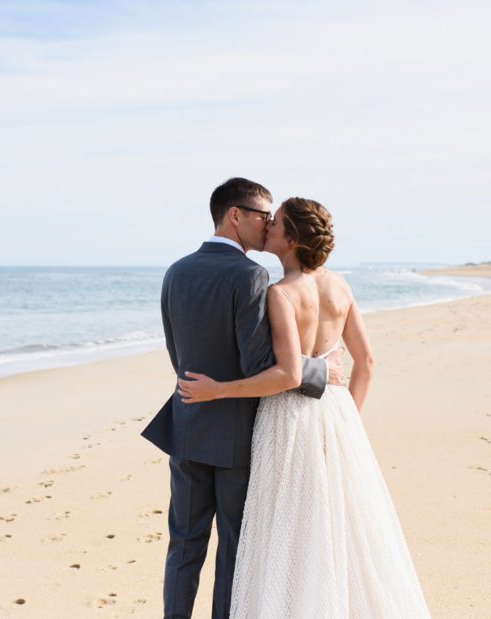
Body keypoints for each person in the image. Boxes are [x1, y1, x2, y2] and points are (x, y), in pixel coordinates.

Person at [178, 197, 432, 618]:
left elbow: (289, 375)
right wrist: (349, 416)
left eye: (275, 223)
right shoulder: (341, 286)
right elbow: (366, 362)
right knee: (341, 526)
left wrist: (218, 390)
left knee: (287, 528)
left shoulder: (280, 293)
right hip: (338, 415)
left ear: (291, 238)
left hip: (290, 418)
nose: (268, 228)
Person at [141, 178, 343, 619]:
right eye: (262, 216)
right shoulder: (251, 275)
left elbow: (177, 354)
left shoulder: (175, 270)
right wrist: (317, 369)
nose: (268, 224)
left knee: (185, 545)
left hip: (187, 424)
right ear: (236, 216)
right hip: (236, 436)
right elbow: (258, 363)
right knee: (235, 544)